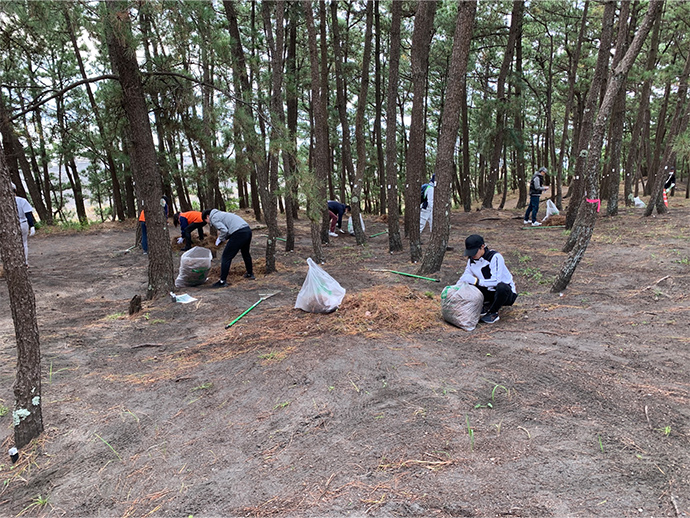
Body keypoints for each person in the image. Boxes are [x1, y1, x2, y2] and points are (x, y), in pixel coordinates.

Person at [458, 234, 517, 324]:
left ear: (482, 247)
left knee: (501, 287)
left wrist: (476, 281)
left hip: (505, 293)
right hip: (488, 292)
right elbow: (466, 275)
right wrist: (456, 288)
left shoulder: (495, 257)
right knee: (469, 285)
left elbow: (497, 280)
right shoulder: (471, 260)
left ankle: (493, 312)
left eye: (474, 252)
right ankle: (487, 304)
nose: (472, 255)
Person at [202, 208, 254, 288]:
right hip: (247, 230)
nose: (208, 223)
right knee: (245, 253)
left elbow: (224, 230)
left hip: (239, 233)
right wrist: (224, 238)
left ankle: (222, 281)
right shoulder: (221, 214)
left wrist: (220, 238)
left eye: (206, 221)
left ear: (207, 216)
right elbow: (229, 230)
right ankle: (250, 274)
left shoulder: (214, 218)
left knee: (226, 257)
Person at [12, 183, 36, 265]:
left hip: (10, 226)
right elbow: (28, 214)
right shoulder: (22, 200)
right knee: (24, 243)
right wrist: (32, 226)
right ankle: (24, 262)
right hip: (23, 223)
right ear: (15, 190)